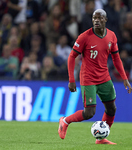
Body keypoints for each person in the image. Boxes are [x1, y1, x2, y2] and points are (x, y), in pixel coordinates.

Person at [58, 9, 132, 145]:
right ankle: (65, 121)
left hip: (104, 78)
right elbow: (72, 56)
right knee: (89, 113)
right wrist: (71, 79)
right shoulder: (84, 37)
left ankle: (101, 138)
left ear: (105, 20)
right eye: (94, 18)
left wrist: (124, 78)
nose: (96, 21)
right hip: (88, 79)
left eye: (99, 18)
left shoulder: (112, 36)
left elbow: (116, 58)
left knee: (112, 108)